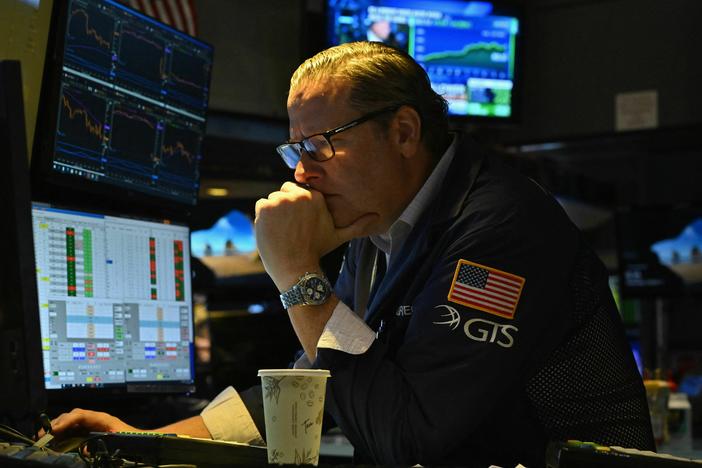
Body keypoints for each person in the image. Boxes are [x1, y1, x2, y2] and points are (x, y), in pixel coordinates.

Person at [48, 42, 654, 467]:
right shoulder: (378, 221)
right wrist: (148, 441)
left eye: (320, 145)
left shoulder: (502, 228)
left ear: (404, 132)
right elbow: (316, 387)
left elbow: (409, 438)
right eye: (295, 151)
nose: (303, 175)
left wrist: (296, 275)